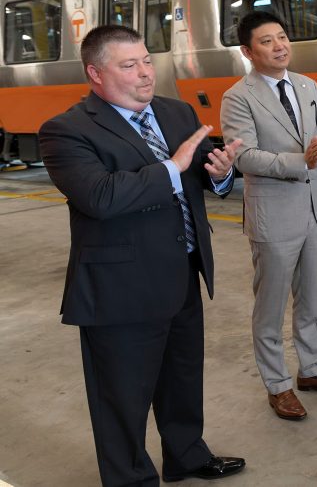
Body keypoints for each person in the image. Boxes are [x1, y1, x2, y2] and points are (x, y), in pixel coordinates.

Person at [39, 25, 245, 486]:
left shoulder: (176, 113)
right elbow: (101, 197)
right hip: (121, 290)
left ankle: (186, 456)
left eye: (147, 61)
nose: (145, 74)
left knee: (182, 380)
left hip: (182, 273)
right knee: (122, 398)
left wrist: (219, 174)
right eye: (128, 65)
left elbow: (201, 181)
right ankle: (131, 479)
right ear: (95, 73)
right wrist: (173, 167)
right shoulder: (66, 130)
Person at [220, 11, 317, 421]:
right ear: (248, 51)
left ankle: (311, 370)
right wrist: (301, 161)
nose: (279, 46)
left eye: (283, 37)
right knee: (270, 306)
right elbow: (245, 156)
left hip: (313, 212)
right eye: (267, 41)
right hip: (272, 216)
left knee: (311, 300)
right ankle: (277, 385)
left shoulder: (308, 85)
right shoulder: (238, 96)